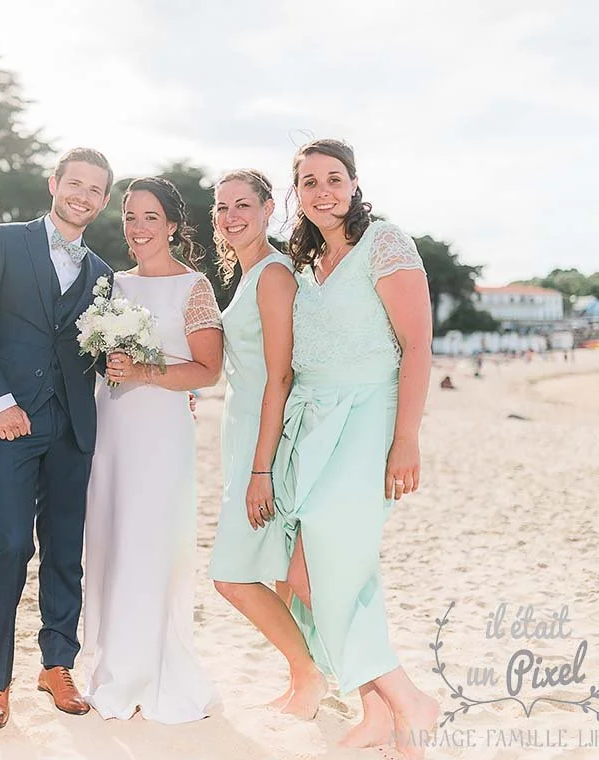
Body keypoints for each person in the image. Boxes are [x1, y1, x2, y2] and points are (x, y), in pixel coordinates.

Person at [274, 139, 439, 758]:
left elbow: (418, 346)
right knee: (308, 576)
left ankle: (407, 700)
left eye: (333, 179)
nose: (323, 192)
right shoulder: (306, 260)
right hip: (313, 427)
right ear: (297, 193)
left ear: (353, 183)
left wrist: (406, 440)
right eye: (309, 182)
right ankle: (378, 708)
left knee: (330, 568)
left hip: (370, 422)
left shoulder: (387, 243)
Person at [0, 148, 115, 729]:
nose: (83, 195)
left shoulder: (102, 274)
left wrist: (134, 367)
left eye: (95, 189)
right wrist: (0, 402)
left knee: (65, 548)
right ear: (54, 183)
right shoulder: (2, 240)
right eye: (75, 183)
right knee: (13, 545)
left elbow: (93, 353)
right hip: (10, 423)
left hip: (72, 427)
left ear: (102, 200)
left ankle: (57, 665)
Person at [81, 177, 223, 724]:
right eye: (130, 218)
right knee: (112, 539)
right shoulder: (114, 284)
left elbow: (207, 370)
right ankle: (112, 667)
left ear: (170, 225)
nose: (138, 229)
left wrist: (144, 371)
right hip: (112, 423)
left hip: (161, 428)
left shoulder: (194, 288)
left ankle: (148, 669)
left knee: (148, 540)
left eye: (148, 218)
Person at [206, 170, 327, 717]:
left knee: (232, 574)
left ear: (268, 208)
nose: (232, 216)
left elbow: (281, 376)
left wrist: (262, 471)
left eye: (242, 205)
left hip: (267, 439)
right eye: (222, 207)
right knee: (280, 570)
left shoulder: (275, 275)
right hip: (244, 434)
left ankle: (309, 673)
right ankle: (305, 679)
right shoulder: (249, 274)